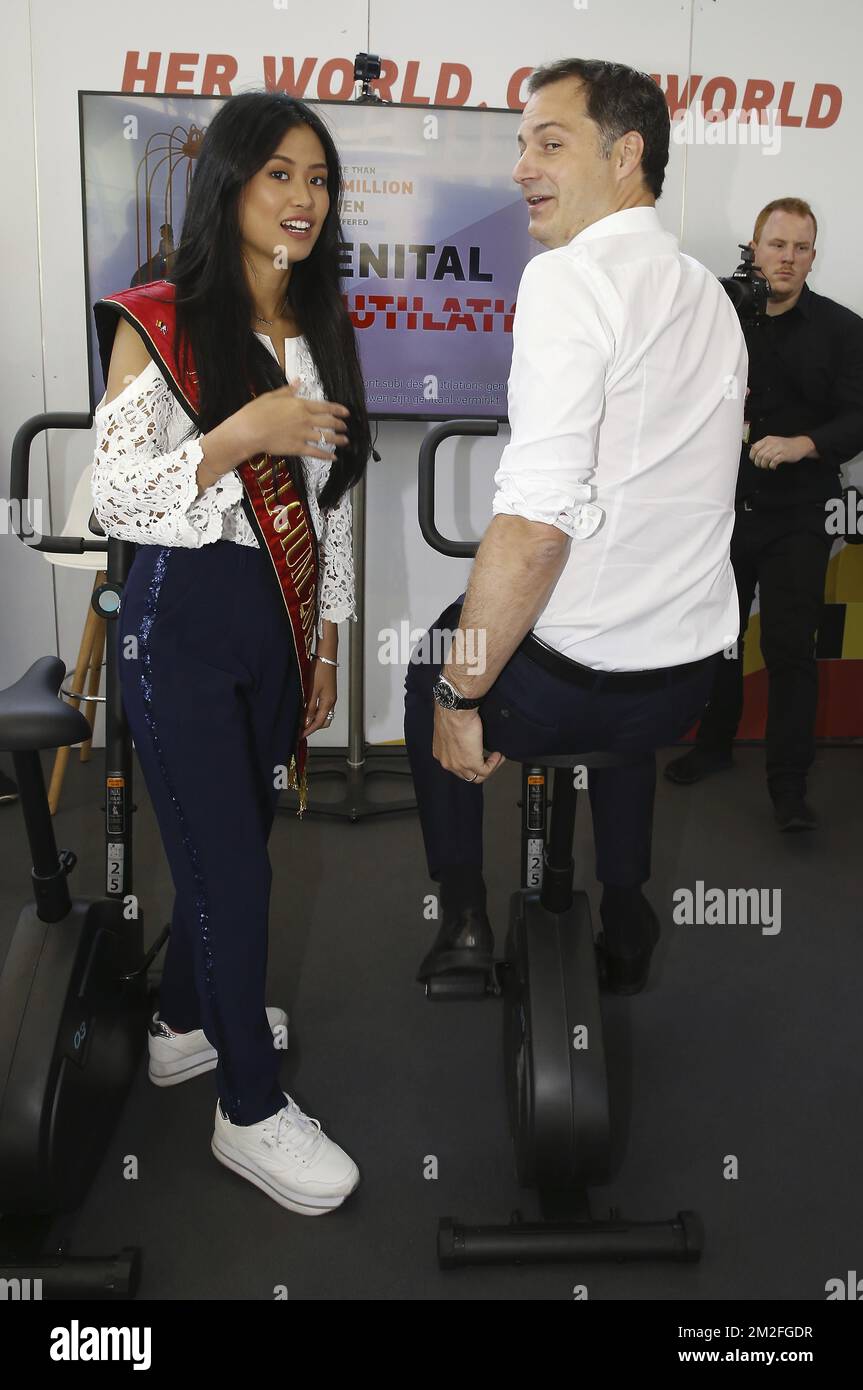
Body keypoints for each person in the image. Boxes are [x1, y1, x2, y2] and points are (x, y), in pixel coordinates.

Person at [404, 58, 747, 994]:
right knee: (615, 684)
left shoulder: (567, 280)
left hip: (564, 687)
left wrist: (460, 698)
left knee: (433, 660)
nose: (520, 166)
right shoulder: (707, 293)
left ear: (625, 153)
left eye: (549, 143)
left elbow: (537, 523)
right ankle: (626, 910)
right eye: (522, 146)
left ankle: (465, 921)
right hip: (683, 684)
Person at [91, 91, 371, 1215]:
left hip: (274, 623)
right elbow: (113, 491)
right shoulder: (160, 317)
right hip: (180, 623)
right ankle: (248, 1110)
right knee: (237, 870)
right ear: (232, 185)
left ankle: (182, 1024)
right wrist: (232, 436)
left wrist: (329, 627)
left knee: (234, 841)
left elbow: (330, 498)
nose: (302, 198)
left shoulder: (322, 323)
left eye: (317, 180)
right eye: (279, 176)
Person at [665, 199, 863, 829]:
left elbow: (859, 416)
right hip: (721, 507)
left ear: (813, 256)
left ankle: (788, 786)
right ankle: (715, 746)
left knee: (789, 649)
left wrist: (805, 445)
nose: (788, 257)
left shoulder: (843, 329)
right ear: (754, 249)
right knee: (718, 640)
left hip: (800, 513)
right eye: (776, 245)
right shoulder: (717, 318)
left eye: (801, 247)